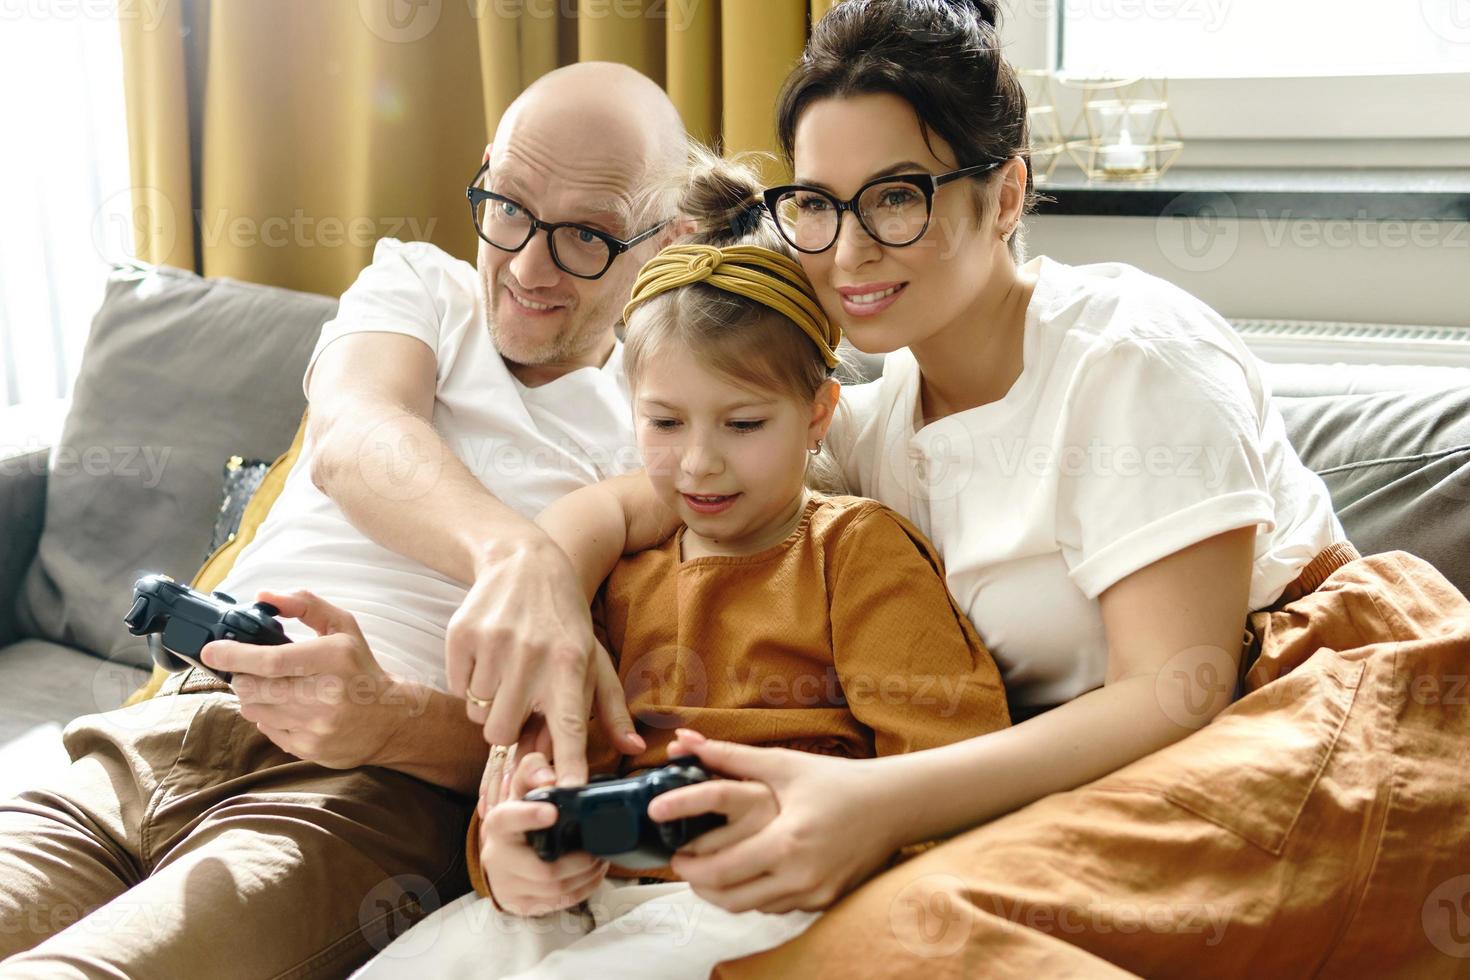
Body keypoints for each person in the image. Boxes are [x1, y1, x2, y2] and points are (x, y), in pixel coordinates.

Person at [461, 3, 1470, 977]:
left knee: (907, 936)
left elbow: (1176, 692)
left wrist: (879, 801)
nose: (849, 251)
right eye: (817, 202)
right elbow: (661, 491)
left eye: (897, 196)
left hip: (1308, 707)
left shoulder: (1129, 357)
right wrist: (543, 565)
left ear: (1008, 195)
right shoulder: (877, 413)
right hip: (1125, 761)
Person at [0, 63, 685, 978]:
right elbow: (357, 435)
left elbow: (591, 742)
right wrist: (519, 555)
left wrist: (387, 720)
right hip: (159, 731)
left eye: (587, 237)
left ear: (667, 240)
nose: (526, 265)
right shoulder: (418, 285)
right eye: (510, 206)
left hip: (358, 793)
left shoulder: (673, 430)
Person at [350, 152, 1010, 979]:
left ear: (817, 413)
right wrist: (511, 862)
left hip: (776, 895)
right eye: (664, 424)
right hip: (586, 899)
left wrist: (823, 832)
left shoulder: (855, 551)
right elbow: (524, 784)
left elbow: (952, 771)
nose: (698, 464)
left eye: (742, 425)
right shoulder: (612, 578)